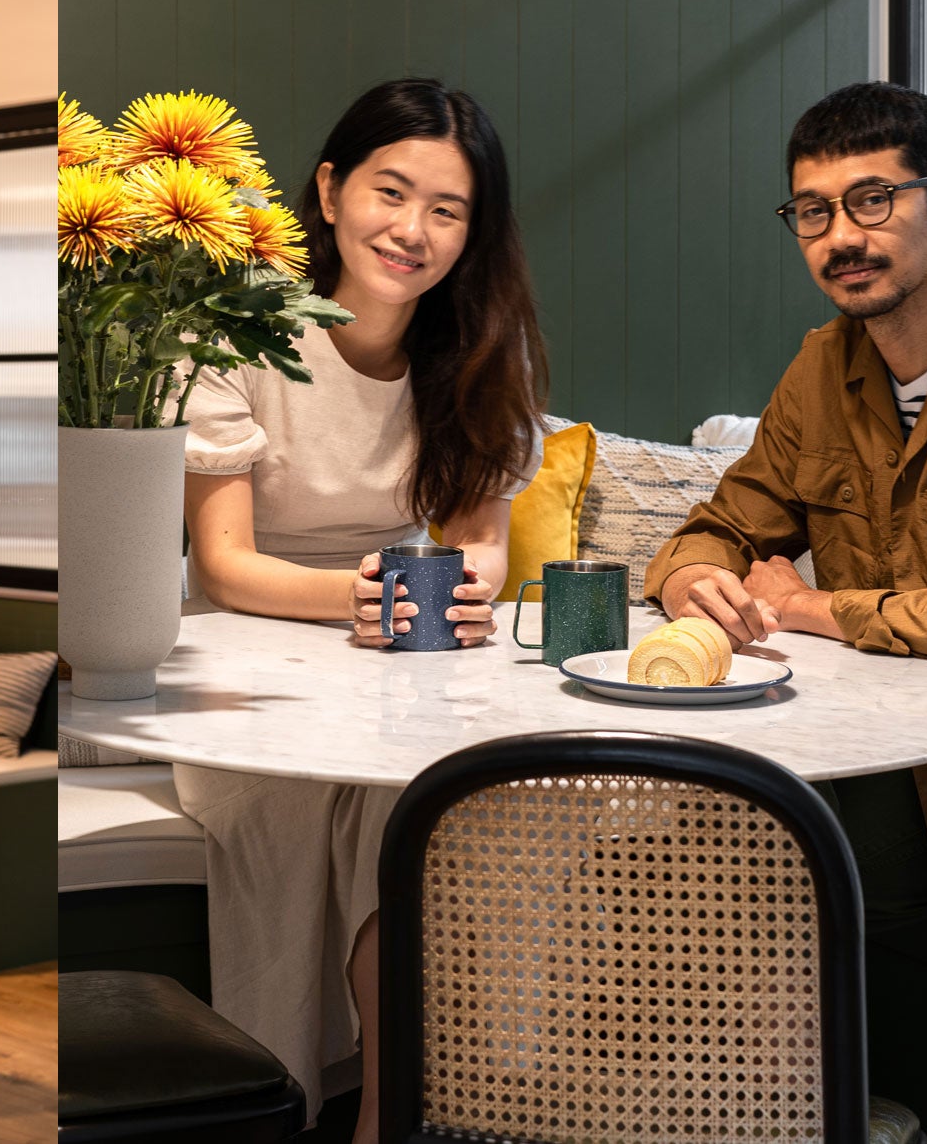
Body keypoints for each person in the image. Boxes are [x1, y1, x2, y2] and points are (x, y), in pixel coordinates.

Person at [179, 79, 548, 1139]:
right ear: (331, 189)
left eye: (446, 210)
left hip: (400, 654)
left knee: (425, 799)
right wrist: (366, 601)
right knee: (289, 804)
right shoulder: (234, 323)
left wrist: (466, 586)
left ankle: (392, 1118)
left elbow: (479, 538)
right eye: (391, 192)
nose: (412, 230)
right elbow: (225, 566)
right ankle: (278, 1103)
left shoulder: (483, 342)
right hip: (248, 658)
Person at [646, 80, 927, 929]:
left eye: (872, 202)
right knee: (636, 854)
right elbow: (721, 528)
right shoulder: (822, 365)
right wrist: (696, 585)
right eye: (812, 211)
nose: (841, 238)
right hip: (852, 736)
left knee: (725, 889)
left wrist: (803, 606)